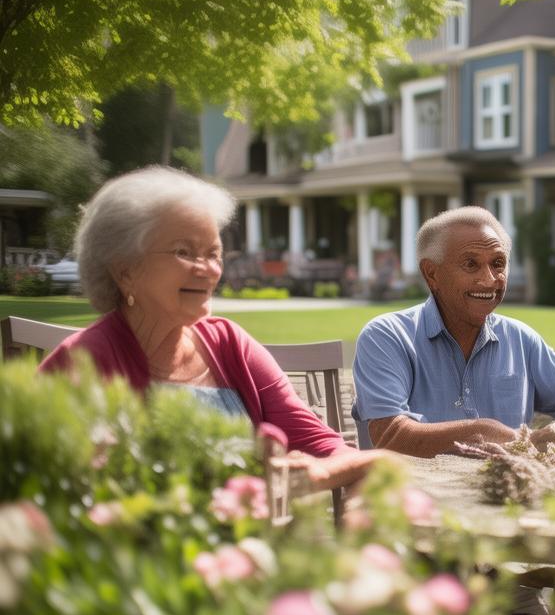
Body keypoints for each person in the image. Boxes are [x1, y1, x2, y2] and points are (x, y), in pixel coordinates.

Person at [39, 166, 391, 492]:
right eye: (185, 252)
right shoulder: (81, 362)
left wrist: (318, 473)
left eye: (214, 253)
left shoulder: (229, 344)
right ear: (125, 271)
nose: (208, 269)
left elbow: (328, 446)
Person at [353, 206, 555, 458]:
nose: (489, 280)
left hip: (506, 493)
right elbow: (391, 436)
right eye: (470, 264)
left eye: (498, 264)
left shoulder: (522, 338)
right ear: (431, 274)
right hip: (417, 493)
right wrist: (485, 431)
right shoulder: (387, 336)